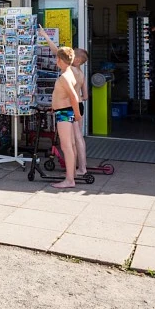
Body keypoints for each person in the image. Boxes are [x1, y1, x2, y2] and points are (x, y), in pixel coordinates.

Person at [37, 27, 89, 175]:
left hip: (70, 107)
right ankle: (82, 166)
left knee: (71, 141)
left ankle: (77, 169)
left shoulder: (70, 70)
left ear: (76, 60)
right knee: (79, 137)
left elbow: (56, 51)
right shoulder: (80, 73)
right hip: (79, 104)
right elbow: (85, 95)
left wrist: (46, 36)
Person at [48, 46, 83, 189]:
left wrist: (77, 115)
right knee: (70, 145)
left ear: (61, 60)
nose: (56, 60)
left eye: (57, 58)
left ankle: (69, 180)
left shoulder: (64, 77)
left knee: (66, 146)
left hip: (64, 112)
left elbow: (74, 97)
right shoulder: (69, 73)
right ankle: (71, 174)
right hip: (64, 111)